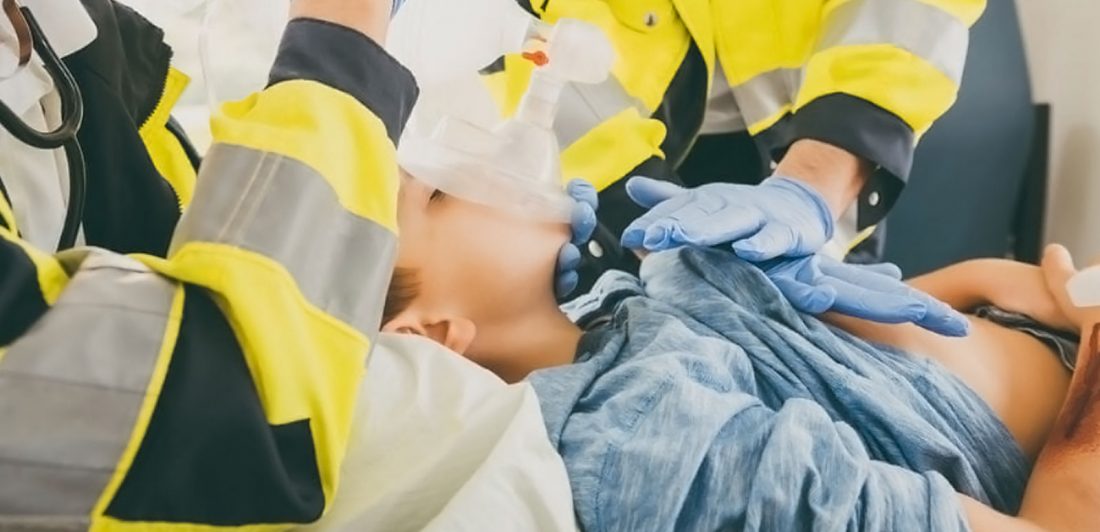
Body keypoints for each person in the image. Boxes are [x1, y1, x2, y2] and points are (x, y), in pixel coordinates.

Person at [382, 173, 1100, 530]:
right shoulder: (646, 445)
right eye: (440, 195)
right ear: (429, 334)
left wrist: (996, 287)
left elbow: (885, 353)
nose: (474, 171)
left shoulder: (609, 308)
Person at [0, 0, 418, 527]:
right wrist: (341, 48)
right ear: (432, 330)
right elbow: (229, 433)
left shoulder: (79, 47)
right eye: (432, 197)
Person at [485, 0, 985, 299]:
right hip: (612, 139)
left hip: (821, 128)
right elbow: (538, 60)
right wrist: (637, 231)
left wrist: (816, 179)